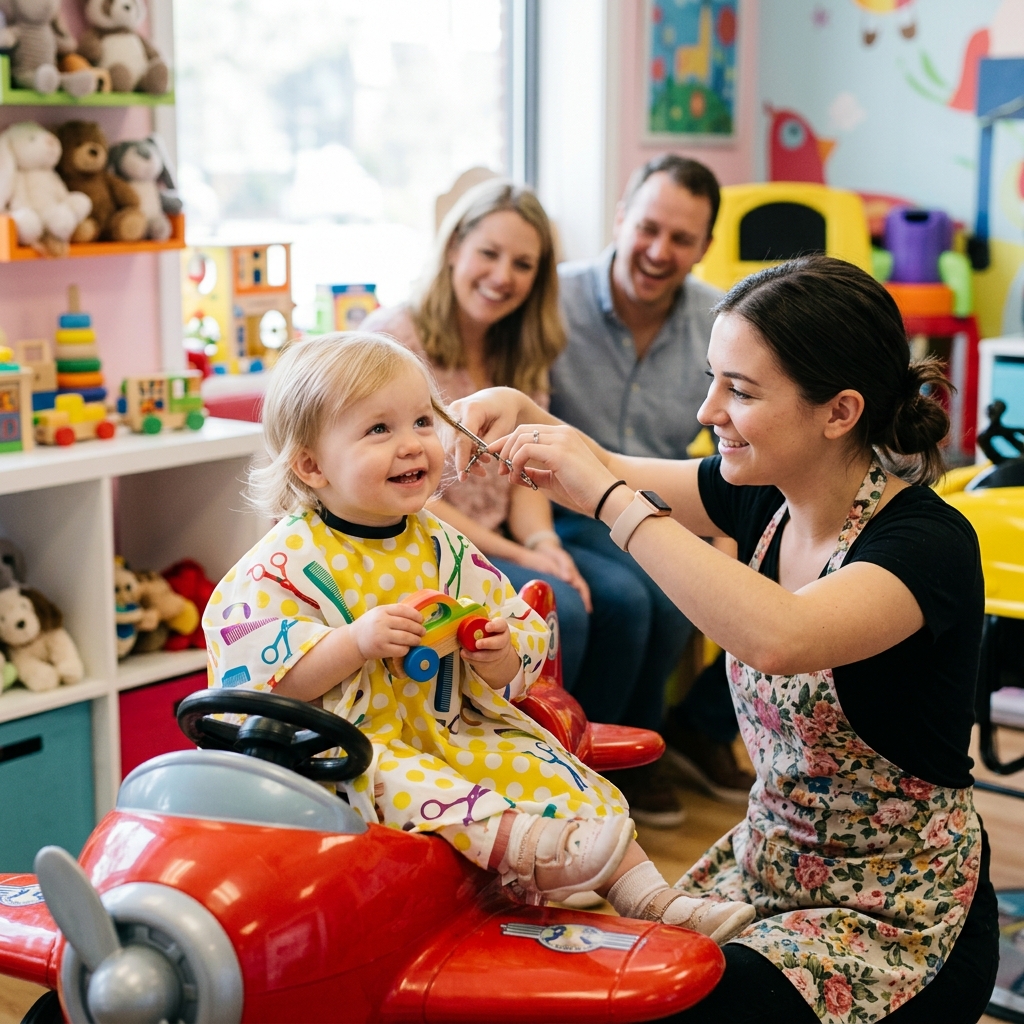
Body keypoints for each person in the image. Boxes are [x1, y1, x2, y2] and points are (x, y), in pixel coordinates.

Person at [449, 256, 999, 1023]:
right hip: (764, 873)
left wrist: (613, 502)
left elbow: (782, 636)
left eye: (739, 390)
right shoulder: (763, 495)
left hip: (896, 920)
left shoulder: (926, 545)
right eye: (713, 380)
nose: (708, 410)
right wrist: (522, 412)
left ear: (839, 411)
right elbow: (603, 463)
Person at [204, 331, 756, 943]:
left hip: (451, 730)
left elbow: (515, 626)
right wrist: (354, 643)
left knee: (545, 766)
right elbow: (265, 683)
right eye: (379, 429)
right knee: (402, 776)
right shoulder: (282, 564)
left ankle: (652, 898)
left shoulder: (439, 542)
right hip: (350, 753)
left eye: (422, 420)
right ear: (311, 465)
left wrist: (498, 653)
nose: (412, 443)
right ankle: (536, 853)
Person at [549, 153, 753, 823]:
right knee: (644, 598)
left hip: (661, 499)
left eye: (681, 238)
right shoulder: (553, 301)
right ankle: (608, 757)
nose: (660, 251)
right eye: (648, 228)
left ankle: (686, 731)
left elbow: (729, 428)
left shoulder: (718, 322)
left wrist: (726, 530)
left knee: (771, 572)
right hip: (562, 504)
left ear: (704, 246)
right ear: (620, 219)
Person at [363, 178, 592, 691]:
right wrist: (522, 556)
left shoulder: (520, 349)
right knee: (566, 613)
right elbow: (411, 494)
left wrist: (543, 541)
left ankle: (605, 738)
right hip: (419, 536)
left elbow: (524, 467)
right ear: (453, 248)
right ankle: (537, 732)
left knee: (625, 603)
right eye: (488, 253)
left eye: (522, 264)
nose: (502, 276)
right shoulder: (393, 341)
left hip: (497, 535)